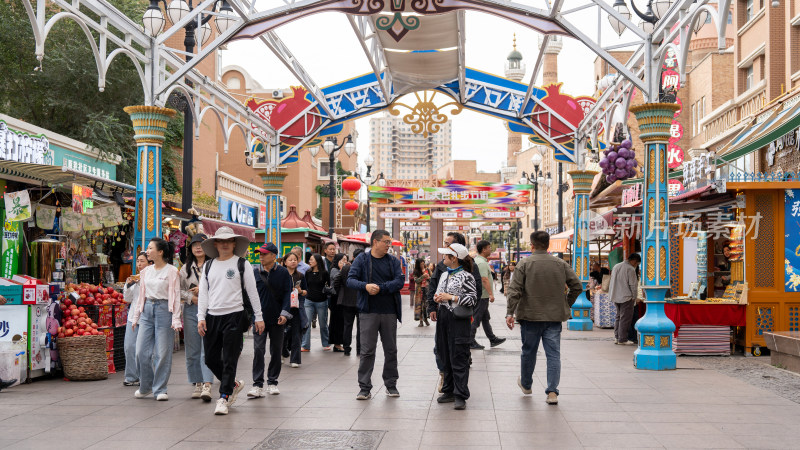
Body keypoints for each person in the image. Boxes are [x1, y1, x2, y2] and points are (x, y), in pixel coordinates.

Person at [506, 231, 583, 405]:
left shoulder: (524, 264)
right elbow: (577, 286)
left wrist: (510, 312)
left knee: (528, 352)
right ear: (548, 245)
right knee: (553, 355)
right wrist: (566, 303)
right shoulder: (560, 264)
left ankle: (526, 384)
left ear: (532, 245)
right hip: (554, 317)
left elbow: (514, 290)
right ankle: (552, 392)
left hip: (530, 316)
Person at [197, 226, 265, 415]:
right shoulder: (209, 265)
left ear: (234, 243)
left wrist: (259, 317)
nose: (225, 244)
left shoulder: (242, 264)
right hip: (212, 316)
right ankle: (233, 384)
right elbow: (203, 293)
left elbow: (252, 292)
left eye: (229, 241)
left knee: (229, 359)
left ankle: (224, 397)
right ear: (215, 244)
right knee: (210, 358)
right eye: (221, 241)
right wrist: (201, 317)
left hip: (234, 315)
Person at [346, 229, 404, 400]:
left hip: (389, 312)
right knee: (367, 351)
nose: (389, 245)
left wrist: (380, 288)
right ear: (376, 242)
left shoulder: (393, 261)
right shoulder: (362, 260)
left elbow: (399, 281)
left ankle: (391, 385)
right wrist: (365, 286)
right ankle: (364, 388)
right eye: (386, 242)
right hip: (368, 312)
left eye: (389, 242)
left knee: (391, 350)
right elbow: (350, 279)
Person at [427, 232, 482, 390]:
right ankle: (447, 384)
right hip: (444, 316)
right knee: (442, 349)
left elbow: (474, 295)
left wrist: (452, 297)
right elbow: (434, 286)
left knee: (458, 352)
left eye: (447, 244)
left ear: (455, 255)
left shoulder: (468, 273)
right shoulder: (443, 271)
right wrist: (434, 303)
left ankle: (460, 391)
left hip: (459, 317)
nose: (444, 248)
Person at [131, 238, 182, 401]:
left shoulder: (172, 271)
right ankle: (145, 386)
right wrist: (136, 316)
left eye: (150, 248)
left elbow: (176, 295)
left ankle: (160, 389)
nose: (147, 251)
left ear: (160, 252)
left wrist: (176, 319)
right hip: (146, 312)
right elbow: (141, 295)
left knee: (162, 352)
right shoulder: (145, 271)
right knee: (140, 352)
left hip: (163, 311)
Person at [248, 243, 293, 398]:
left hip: (278, 319)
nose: (261, 256)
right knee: (258, 350)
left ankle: (272, 382)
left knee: (276, 350)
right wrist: (251, 316)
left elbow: (288, 293)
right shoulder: (254, 273)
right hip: (259, 319)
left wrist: (285, 313)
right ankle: (257, 384)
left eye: (264, 254)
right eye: (260, 254)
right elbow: (249, 296)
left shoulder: (283, 273)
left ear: (273, 256)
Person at [180, 233, 214, 401]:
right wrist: (190, 297)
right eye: (194, 245)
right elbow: (177, 290)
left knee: (207, 348)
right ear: (190, 249)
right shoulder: (184, 269)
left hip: (210, 310)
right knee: (192, 349)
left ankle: (208, 383)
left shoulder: (214, 265)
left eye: (201, 244)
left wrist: (203, 290)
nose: (198, 247)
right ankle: (197, 382)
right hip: (191, 310)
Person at [122, 252, 152, 387]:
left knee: (143, 350)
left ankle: (144, 376)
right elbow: (127, 299)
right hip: (133, 317)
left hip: (148, 317)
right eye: (138, 261)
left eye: (142, 261)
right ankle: (130, 376)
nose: (139, 264)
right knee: (129, 346)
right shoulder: (134, 279)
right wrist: (128, 285)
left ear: (150, 263)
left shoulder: (153, 277)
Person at [471, 240, 506, 349]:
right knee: (476, 319)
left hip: (483, 296)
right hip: (482, 296)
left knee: (485, 318)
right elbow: (484, 279)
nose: (491, 249)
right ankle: (470, 340)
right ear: (484, 249)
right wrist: (491, 294)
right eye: (489, 247)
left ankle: (492, 339)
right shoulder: (481, 263)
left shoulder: (481, 261)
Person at [609, 253, 641, 345]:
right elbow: (633, 285)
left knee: (618, 317)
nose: (636, 266)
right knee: (625, 319)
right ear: (634, 261)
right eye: (637, 264)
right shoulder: (630, 269)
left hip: (615, 295)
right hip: (626, 297)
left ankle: (617, 337)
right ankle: (622, 339)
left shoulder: (616, 266)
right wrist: (634, 298)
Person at [283, 252, 308, 367]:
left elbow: (306, 292)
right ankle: (281, 353)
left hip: (296, 308)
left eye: (295, 259)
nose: (293, 261)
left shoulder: (300, 276)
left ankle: (295, 360)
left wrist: (300, 291)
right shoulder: (280, 274)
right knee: (282, 333)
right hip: (283, 308)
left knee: (296, 334)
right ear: (285, 262)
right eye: (290, 259)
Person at [302, 253, 331, 351]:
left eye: (311, 260)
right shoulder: (308, 272)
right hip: (308, 301)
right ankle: (305, 345)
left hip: (322, 301)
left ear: (317, 261)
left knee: (323, 324)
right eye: (309, 259)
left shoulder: (325, 273)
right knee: (307, 323)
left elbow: (329, 285)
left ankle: (326, 343)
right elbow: (305, 285)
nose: (309, 261)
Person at [336, 249, 362, 356]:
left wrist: (341, 293)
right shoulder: (364, 269)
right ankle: (359, 349)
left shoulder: (345, 268)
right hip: (360, 301)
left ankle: (347, 348)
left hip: (347, 301)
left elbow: (337, 282)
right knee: (361, 327)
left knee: (347, 326)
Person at [328, 253, 348, 352]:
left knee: (342, 321)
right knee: (336, 321)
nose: (345, 261)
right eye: (343, 259)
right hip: (335, 298)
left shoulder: (344, 269)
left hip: (343, 298)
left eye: (346, 259)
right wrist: (341, 269)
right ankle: (336, 344)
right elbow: (337, 279)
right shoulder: (334, 270)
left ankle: (340, 342)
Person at [412, 258, 430, 327]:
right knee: (420, 306)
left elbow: (432, 278)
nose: (422, 265)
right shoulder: (416, 271)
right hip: (419, 291)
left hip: (426, 290)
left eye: (423, 264)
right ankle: (421, 321)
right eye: (421, 264)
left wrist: (428, 278)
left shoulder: (427, 270)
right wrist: (423, 276)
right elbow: (416, 280)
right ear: (418, 264)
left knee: (425, 306)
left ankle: (426, 319)